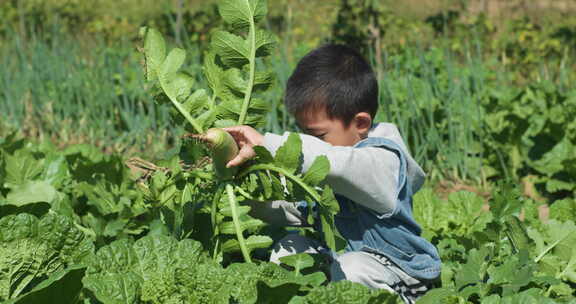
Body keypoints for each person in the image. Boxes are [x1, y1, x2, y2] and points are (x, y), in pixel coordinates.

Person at [223, 44, 441, 304]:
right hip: (343, 262)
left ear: (360, 123)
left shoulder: (382, 163)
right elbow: (297, 210)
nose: (307, 141)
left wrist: (268, 144)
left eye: (317, 136)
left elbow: (341, 165)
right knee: (289, 249)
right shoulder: (331, 162)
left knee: (353, 268)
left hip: (403, 277)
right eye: (303, 133)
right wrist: (241, 200)